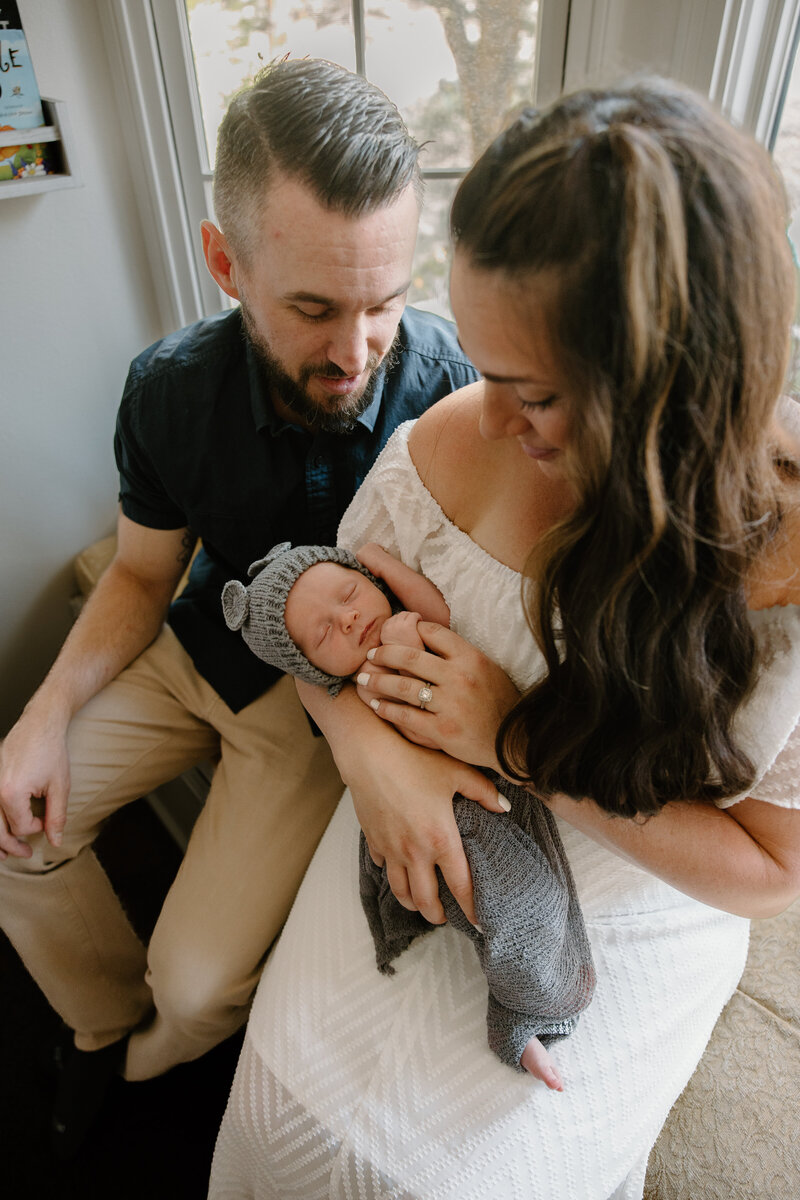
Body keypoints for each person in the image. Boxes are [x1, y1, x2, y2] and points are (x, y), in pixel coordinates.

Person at [208, 78, 800, 1199]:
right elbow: (314, 622)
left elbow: (771, 872)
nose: (482, 419)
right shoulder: (447, 446)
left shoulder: (784, 561)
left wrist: (512, 738)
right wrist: (368, 755)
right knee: (284, 1104)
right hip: (405, 820)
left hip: (617, 913)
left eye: (527, 393)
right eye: (481, 368)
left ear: (662, 393)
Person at [0, 57, 479, 1155]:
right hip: (190, 647)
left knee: (202, 979)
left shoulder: (450, 394)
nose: (355, 351)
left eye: (383, 299)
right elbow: (136, 574)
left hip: (308, 713)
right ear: (225, 262)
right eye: (312, 307)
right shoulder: (166, 390)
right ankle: (94, 1024)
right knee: (15, 831)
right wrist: (41, 715)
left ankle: (151, 1066)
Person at [220, 540, 596, 1085]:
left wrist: (386, 571)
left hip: (479, 786)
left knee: (526, 893)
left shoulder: (407, 631)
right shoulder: (351, 689)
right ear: (312, 669)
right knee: (515, 903)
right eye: (324, 634)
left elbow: (440, 613)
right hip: (435, 820)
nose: (347, 619)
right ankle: (526, 1011)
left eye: (349, 593)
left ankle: (520, 1014)